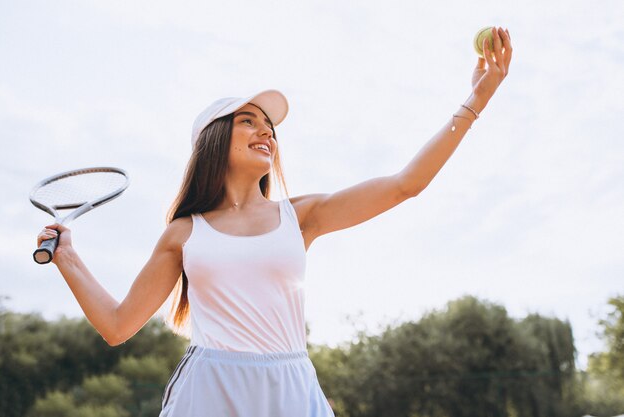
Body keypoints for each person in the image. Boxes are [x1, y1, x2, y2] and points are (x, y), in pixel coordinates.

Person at [37, 27, 512, 417]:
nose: (266, 130)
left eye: (269, 125)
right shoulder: (183, 234)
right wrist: (69, 259)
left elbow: (406, 183)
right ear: (213, 141)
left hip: (291, 386)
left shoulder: (301, 216)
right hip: (209, 390)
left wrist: (476, 100)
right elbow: (118, 326)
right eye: (248, 120)